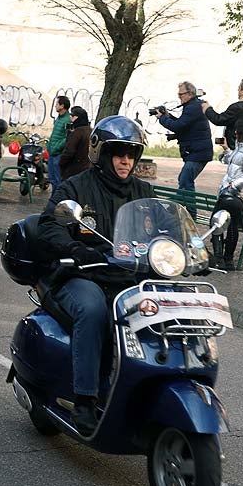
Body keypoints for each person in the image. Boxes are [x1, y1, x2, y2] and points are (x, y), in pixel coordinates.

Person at [36, 115, 153, 434]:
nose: (125, 160)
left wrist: (187, 248)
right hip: (83, 276)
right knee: (93, 310)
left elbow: (162, 229)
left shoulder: (143, 192)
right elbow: (49, 225)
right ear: (102, 153)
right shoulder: (76, 187)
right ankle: (85, 400)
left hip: (128, 279)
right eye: (118, 152)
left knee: (165, 311)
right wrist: (75, 249)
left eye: (131, 154)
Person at [152, 81, 213, 211]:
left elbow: (178, 126)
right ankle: (174, 209)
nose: (179, 97)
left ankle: (188, 213)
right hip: (197, 151)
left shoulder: (193, 107)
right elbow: (183, 124)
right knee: (184, 180)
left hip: (198, 153)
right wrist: (168, 115)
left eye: (181, 94)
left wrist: (162, 118)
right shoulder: (193, 105)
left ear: (190, 94)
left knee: (186, 181)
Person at [211, 124, 243, 269]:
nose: (234, 132)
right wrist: (226, 149)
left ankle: (223, 259)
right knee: (221, 222)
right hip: (227, 192)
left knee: (223, 222)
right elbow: (233, 163)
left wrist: (233, 186)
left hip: (238, 195)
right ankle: (223, 259)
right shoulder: (241, 146)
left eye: (237, 130)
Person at [59, 106, 92, 180]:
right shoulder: (90, 131)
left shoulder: (77, 132)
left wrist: (61, 162)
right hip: (87, 170)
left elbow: (69, 152)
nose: (71, 118)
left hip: (74, 171)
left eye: (73, 116)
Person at [47, 95, 72, 191]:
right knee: (52, 179)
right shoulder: (59, 118)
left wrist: (57, 147)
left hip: (58, 154)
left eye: (57, 104)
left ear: (62, 105)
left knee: (58, 180)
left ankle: (56, 203)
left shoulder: (67, 120)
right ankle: (52, 202)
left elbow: (67, 137)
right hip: (52, 153)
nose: (55, 106)